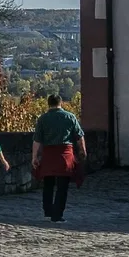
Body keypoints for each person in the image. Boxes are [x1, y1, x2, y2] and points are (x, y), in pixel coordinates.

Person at [32, 94, 87, 223]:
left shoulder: (43, 119)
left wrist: (34, 157)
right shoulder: (70, 117)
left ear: (48, 103)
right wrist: (83, 151)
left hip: (49, 154)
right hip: (65, 154)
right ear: (60, 103)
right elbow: (79, 136)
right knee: (62, 186)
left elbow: (37, 140)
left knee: (48, 183)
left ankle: (48, 211)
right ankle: (57, 215)